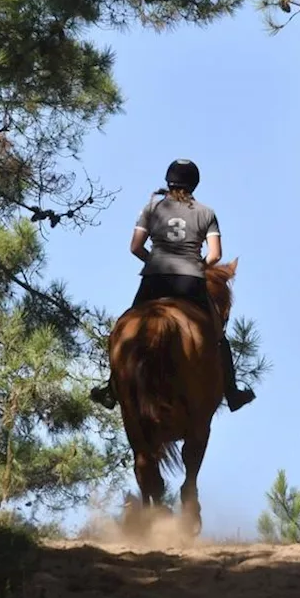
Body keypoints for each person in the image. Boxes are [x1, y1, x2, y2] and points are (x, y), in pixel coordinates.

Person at [90, 159, 256, 412]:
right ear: (194, 184)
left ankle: (111, 388)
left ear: (169, 181)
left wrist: (155, 261)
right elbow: (215, 255)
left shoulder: (151, 209)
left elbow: (135, 247)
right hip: (190, 282)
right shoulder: (206, 213)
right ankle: (232, 393)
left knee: (123, 328)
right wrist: (197, 265)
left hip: (154, 278)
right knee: (219, 338)